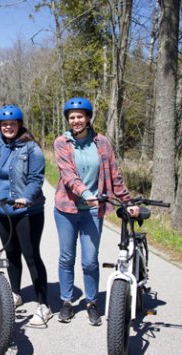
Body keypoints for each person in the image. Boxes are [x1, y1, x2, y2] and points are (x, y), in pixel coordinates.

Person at [54, 97, 139, 326]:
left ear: (88, 117)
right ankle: (67, 301)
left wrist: (127, 200)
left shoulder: (102, 143)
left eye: (80, 116)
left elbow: (114, 174)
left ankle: (91, 302)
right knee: (66, 257)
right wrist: (85, 193)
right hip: (67, 209)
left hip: (94, 210)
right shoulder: (62, 142)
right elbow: (68, 174)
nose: (76, 121)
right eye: (72, 117)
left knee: (90, 260)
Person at [0, 104, 52, 328]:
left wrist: (26, 196)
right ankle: (15, 294)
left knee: (31, 255)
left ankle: (43, 304)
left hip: (28, 210)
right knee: (11, 253)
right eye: (4, 124)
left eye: (12, 124)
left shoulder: (31, 148)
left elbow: (36, 178)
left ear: (19, 124)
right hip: (1, 209)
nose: (8, 127)